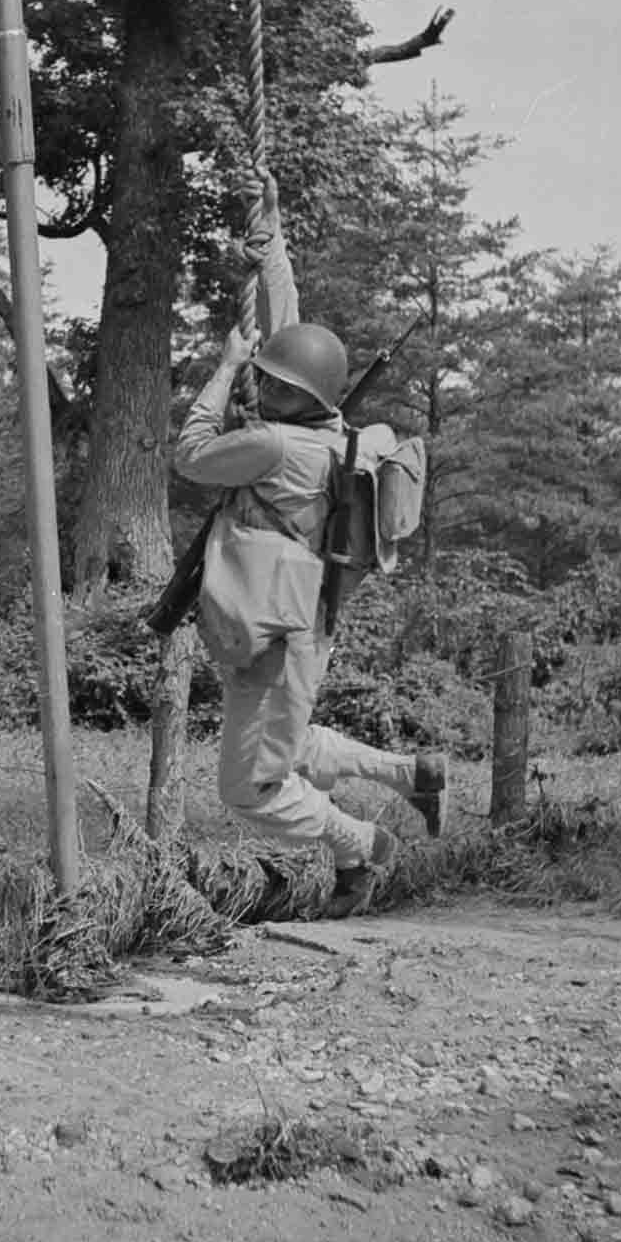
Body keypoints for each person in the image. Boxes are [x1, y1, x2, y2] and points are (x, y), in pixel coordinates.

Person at [173, 170, 420, 912]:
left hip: (276, 634)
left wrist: (220, 373)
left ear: (295, 396)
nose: (260, 376)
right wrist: (271, 237)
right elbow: (293, 329)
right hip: (298, 625)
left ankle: (363, 844)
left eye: (270, 378)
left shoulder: (272, 448)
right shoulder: (332, 437)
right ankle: (413, 774)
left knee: (249, 788)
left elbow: (190, 455)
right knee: (289, 738)